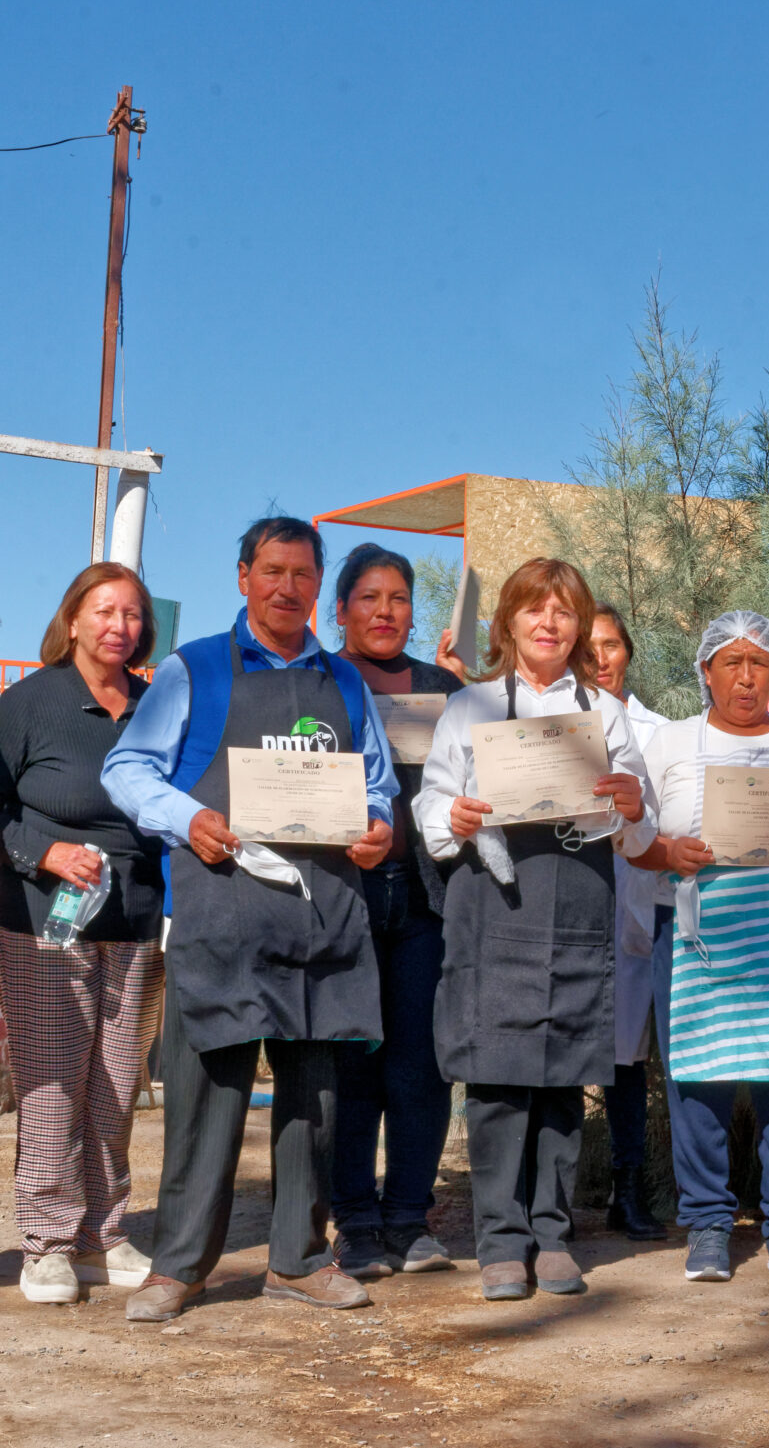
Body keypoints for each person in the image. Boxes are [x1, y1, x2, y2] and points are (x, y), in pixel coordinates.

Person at [102, 516, 398, 1323]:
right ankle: (181, 1265)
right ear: (243, 576)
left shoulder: (344, 680)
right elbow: (126, 765)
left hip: (324, 917)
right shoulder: (192, 667)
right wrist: (186, 817)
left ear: (318, 587)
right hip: (222, 912)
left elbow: (378, 783)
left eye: (303, 574)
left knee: (315, 1102)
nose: (287, 587)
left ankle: (300, 1260)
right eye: (273, 571)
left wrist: (377, 826)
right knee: (207, 1098)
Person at [415, 558, 655, 1301]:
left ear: (580, 625)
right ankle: (499, 1239)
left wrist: (629, 799)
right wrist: (451, 817)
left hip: (579, 897)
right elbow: (432, 802)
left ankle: (552, 1235)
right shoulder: (472, 706)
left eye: (563, 611)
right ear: (509, 621)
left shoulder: (606, 713)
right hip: (492, 900)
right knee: (497, 1077)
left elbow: (637, 820)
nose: (549, 622)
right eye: (534, 609)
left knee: (560, 1075)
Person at [631, 612, 769, 1286]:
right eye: (731, 662)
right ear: (705, 672)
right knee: (699, 1080)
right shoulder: (669, 743)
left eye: (760, 661)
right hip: (697, 933)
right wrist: (665, 850)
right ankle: (706, 1223)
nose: (747, 675)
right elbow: (628, 834)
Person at [0, 562, 165, 1305]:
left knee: (119, 1082)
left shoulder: (155, 705)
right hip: (39, 920)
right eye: (103, 610)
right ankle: (48, 1242)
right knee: (56, 1078)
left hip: (135, 920)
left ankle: (103, 1235)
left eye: (130, 613)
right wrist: (44, 852)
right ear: (74, 619)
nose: (118, 625)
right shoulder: (31, 701)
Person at [326, 543, 467, 1280]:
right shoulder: (316, 681)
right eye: (370, 597)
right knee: (353, 1065)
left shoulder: (448, 690)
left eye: (400, 598)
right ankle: (353, 1220)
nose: (385, 611)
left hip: (428, 905)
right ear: (341, 608)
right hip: (343, 904)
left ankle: (410, 1216)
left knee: (421, 1066)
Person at [594, 602, 675, 1241]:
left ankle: (629, 1186)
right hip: (571, 914)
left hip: (644, 908)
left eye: (612, 645)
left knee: (631, 1059)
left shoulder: (662, 734)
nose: (599, 658)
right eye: (587, 646)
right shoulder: (548, 725)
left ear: (628, 653)